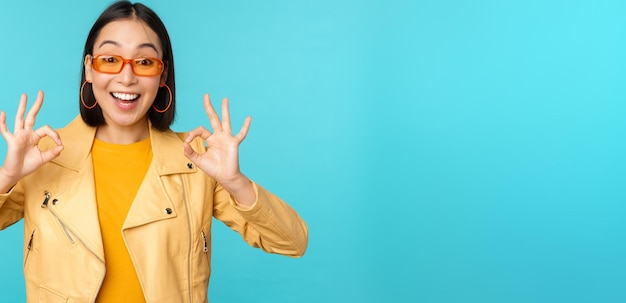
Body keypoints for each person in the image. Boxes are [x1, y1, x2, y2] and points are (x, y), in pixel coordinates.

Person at [0, 1, 308, 302]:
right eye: (110, 59)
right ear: (89, 69)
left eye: (145, 62)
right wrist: (7, 175)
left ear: (162, 75)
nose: (126, 76)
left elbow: (293, 242)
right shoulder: (41, 156)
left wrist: (236, 181)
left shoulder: (197, 160)